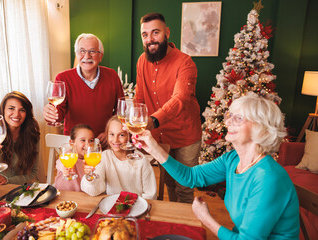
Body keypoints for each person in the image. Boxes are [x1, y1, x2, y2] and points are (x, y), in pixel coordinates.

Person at [133, 94, 300, 239]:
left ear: (261, 130)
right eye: (230, 115)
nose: (228, 121)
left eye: (238, 118)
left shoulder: (268, 178)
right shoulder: (233, 159)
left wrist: (206, 219)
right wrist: (153, 147)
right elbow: (191, 177)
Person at [135, 12, 202, 203]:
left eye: (155, 33)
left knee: (184, 188)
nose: (150, 39)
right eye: (145, 34)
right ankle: (174, 226)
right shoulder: (141, 61)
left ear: (167, 33)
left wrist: (153, 120)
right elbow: (139, 96)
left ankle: (186, 230)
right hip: (160, 137)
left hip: (185, 136)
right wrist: (134, 118)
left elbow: (180, 98)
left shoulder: (185, 62)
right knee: (170, 184)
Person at [43, 33, 124, 148]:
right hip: (75, 146)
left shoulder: (112, 76)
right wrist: (51, 114)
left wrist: (110, 133)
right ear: (76, 54)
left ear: (100, 56)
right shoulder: (62, 78)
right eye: (82, 51)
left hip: (105, 145)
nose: (86, 56)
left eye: (92, 51)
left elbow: (121, 111)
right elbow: (58, 113)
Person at [81, 116, 157, 199]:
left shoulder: (141, 160)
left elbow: (150, 195)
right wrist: (89, 177)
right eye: (112, 134)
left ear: (129, 136)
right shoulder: (104, 157)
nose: (115, 140)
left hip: (137, 207)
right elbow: (94, 191)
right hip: (112, 206)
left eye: (121, 135)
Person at [0, 91, 40, 185]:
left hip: (15, 185)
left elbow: (33, 173)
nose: (16, 114)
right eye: (11, 108)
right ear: (3, 111)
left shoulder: (33, 136)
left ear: (27, 113)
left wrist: (8, 180)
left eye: (22, 110)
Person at [53, 124, 94, 191]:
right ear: (72, 143)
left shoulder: (92, 159)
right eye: (83, 140)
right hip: (62, 194)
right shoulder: (69, 155)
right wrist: (64, 168)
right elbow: (59, 162)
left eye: (91, 141)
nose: (88, 144)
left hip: (81, 195)